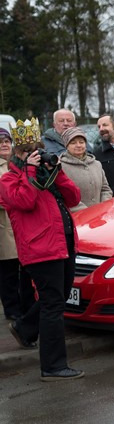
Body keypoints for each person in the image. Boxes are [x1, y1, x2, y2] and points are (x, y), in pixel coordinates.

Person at [0, 118, 84, 381]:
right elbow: (24, 201)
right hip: (40, 249)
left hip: (64, 244)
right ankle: (53, 366)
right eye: (27, 152)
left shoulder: (47, 174)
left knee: (55, 297)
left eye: (35, 150)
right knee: (53, 305)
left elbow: (74, 198)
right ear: (17, 154)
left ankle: (25, 328)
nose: (33, 155)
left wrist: (57, 171)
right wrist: (30, 171)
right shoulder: (9, 179)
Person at [58, 126, 112, 211]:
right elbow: (65, 196)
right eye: (73, 143)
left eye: (81, 142)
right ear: (66, 146)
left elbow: (105, 189)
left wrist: (103, 206)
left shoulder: (96, 164)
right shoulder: (61, 167)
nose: (78, 145)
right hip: (78, 218)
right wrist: (87, 212)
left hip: (101, 215)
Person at [0, 127, 22, 319]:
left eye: (7, 141)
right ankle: (12, 310)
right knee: (7, 272)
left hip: (21, 225)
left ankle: (21, 307)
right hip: (4, 226)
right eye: (0, 142)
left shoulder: (17, 163)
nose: (5, 144)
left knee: (23, 271)